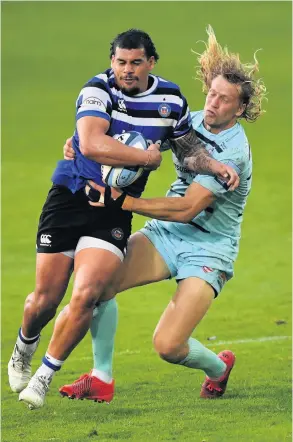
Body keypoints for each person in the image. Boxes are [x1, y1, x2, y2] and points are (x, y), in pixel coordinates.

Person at [10, 28, 237, 409]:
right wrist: (147, 159)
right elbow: (91, 144)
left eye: (135, 63)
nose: (126, 70)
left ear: (151, 63)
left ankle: (44, 378)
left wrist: (213, 164)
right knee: (45, 300)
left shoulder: (170, 99)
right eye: (120, 62)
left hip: (113, 207)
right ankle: (24, 346)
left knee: (88, 293)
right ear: (111, 60)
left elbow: (186, 150)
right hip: (70, 196)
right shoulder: (97, 90)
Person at [58, 25, 267, 403]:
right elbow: (133, 133)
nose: (214, 104)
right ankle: (102, 377)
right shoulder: (189, 118)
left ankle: (219, 368)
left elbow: (188, 209)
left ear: (240, 108)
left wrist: (124, 202)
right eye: (212, 94)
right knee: (100, 285)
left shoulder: (233, 151)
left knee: (168, 345)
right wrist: (79, 145)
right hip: (167, 235)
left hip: (209, 248)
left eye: (225, 101)